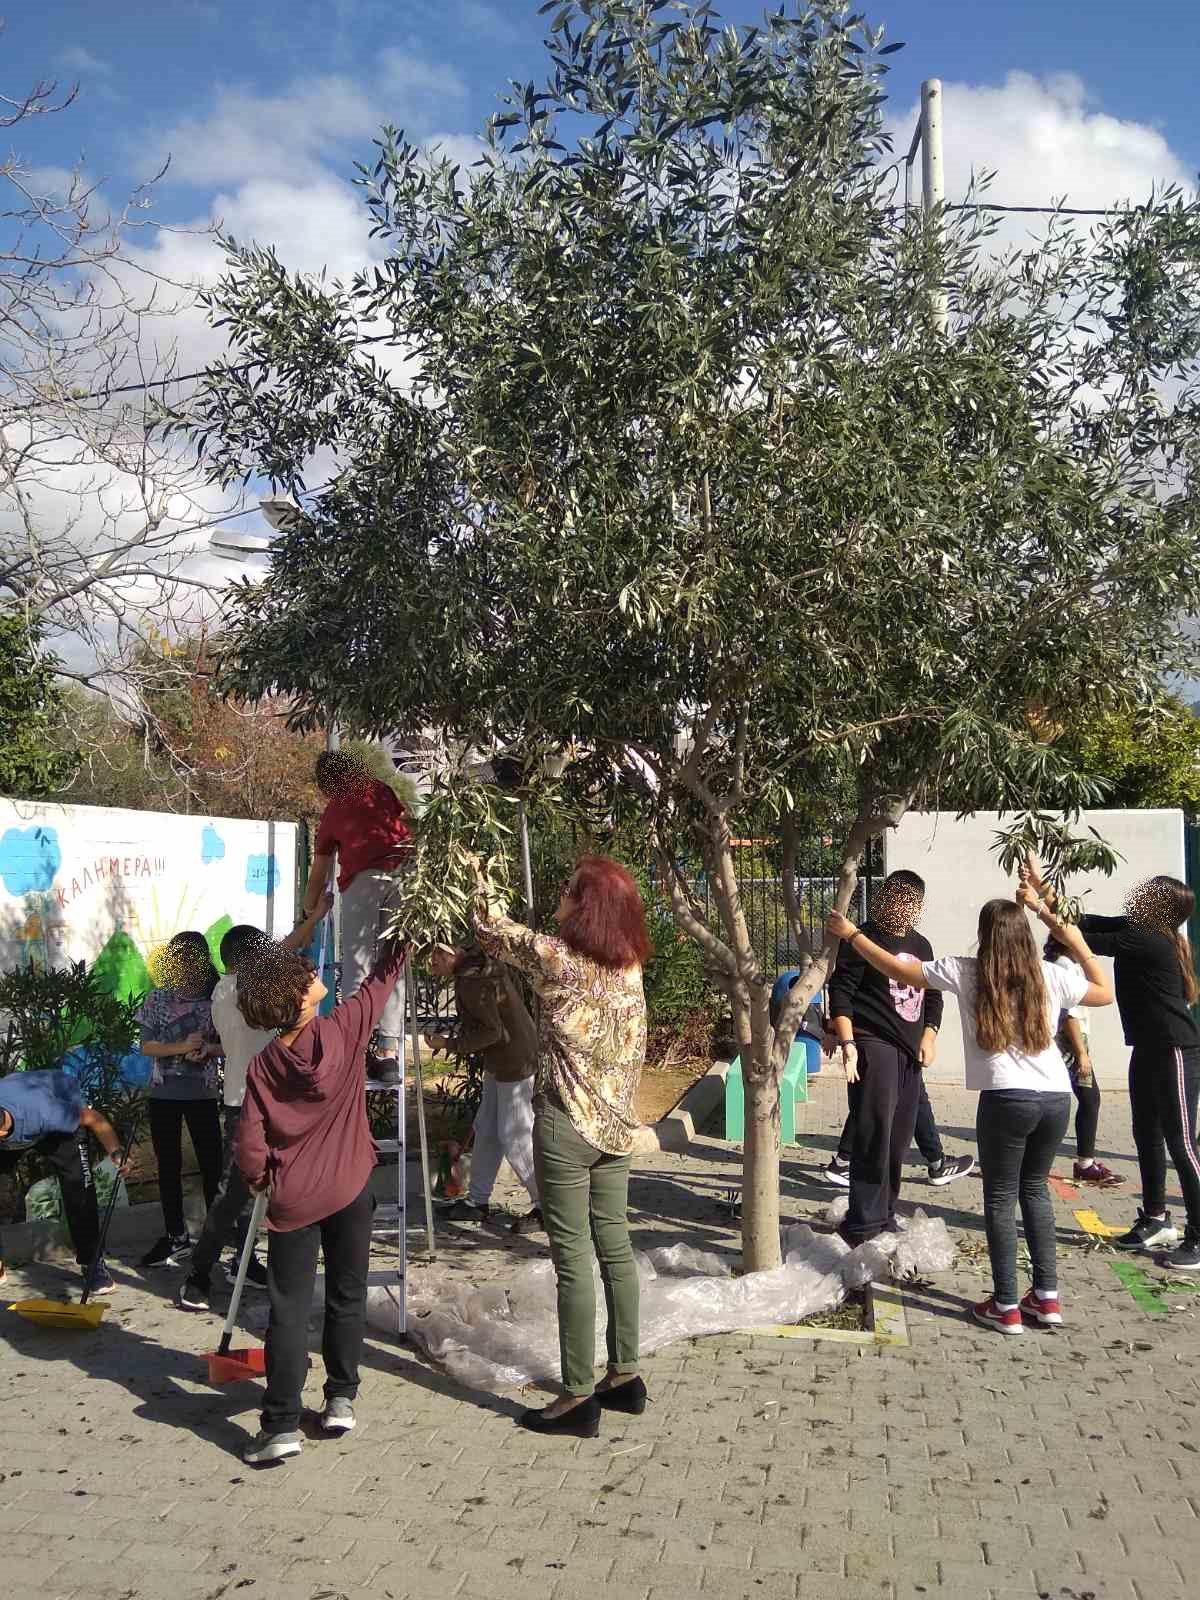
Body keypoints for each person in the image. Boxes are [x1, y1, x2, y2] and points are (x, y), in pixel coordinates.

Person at [827, 889, 1112, 1334]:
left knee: (1000, 1199)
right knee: (1035, 1193)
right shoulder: (1050, 974)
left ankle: (1006, 1304)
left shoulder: (968, 970)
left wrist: (852, 935)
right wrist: (1065, 930)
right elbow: (1104, 991)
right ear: (1026, 937)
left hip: (1006, 1098)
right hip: (1056, 1098)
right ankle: (1047, 1297)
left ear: (984, 935)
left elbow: (897, 968)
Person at [475, 855, 650, 1438]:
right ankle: (625, 1374)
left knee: (572, 1260)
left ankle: (577, 1395)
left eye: (567, 888)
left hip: (567, 1125)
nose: (560, 895)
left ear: (585, 905)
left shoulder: (559, 961)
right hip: (617, 1129)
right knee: (615, 1250)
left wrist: (478, 872)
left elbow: (491, 928)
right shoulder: (631, 967)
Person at [234, 938, 405, 1464]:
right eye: (306, 977)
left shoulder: (264, 1066)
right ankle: (340, 1399)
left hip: (294, 1203)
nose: (315, 977)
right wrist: (402, 938)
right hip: (351, 1189)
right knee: (346, 1296)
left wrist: (259, 1179)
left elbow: (249, 1143)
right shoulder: (344, 1029)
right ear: (297, 998)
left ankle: (281, 1426)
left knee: (288, 1311)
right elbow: (380, 982)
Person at [1027, 864, 1200, 1268]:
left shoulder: (1149, 939)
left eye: (1148, 893)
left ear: (1160, 907)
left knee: (1181, 1143)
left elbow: (1076, 936)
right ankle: (1156, 1219)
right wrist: (1040, 884)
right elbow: (1077, 917)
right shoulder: (1136, 928)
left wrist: (1037, 909)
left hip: (1175, 1050)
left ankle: (1198, 1233)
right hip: (1148, 1049)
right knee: (1146, 1134)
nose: (1139, 895)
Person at [177, 895, 333, 1311]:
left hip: (272, 1100)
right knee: (233, 1193)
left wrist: (215, 1049)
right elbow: (288, 953)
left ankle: (243, 1262)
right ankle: (199, 1272)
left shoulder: (237, 991)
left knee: (254, 1191)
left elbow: (246, 1042)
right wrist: (314, 919)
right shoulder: (233, 990)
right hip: (247, 1106)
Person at [824, 871, 969, 1246]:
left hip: (909, 1054)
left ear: (917, 906)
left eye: (908, 901)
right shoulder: (863, 938)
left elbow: (933, 995)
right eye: (893, 897)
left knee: (898, 1138)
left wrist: (930, 1035)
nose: (899, 906)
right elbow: (842, 992)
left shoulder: (921, 944)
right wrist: (848, 1042)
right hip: (874, 1044)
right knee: (874, 1133)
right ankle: (863, 1222)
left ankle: (884, 1214)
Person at [302, 751, 413, 1085]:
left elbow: (321, 867)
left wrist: (308, 908)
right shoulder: (381, 790)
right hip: (404, 876)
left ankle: (355, 1048)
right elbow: (403, 824)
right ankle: (388, 1052)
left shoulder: (336, 808)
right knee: (392, 963)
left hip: (363, 880)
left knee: (358, 964)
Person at [423, 941, 541, 1233]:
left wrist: (449, 1043)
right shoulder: (477, 969)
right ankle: (477, 1201)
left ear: (450, 952)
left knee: (515, 1137)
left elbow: (492, 1031)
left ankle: (549, 1207)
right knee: (486, 1128)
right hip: (504, 1059)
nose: (430, 965)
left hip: (514, 1062)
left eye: (434, 957)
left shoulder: (473, 980)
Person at [0, 1071, 133, 1296]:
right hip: (20, 1107)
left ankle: (92, 1263)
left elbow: (93, 1118)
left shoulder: (47, 1112)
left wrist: (116, 1152)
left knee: (79, 1188)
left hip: (58, 1120)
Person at [135, 931, 223, 1270]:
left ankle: (216, 1237)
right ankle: (175, 1237)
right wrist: (182, 1047)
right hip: (164, 1095)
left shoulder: (218, 997)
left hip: (202, 1094)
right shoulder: (158, 998)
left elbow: (233, 1043)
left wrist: (209, 1049)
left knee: (212, 1165)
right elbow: (147, 1046)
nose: (185, 966)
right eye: (179, 959)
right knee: (167, 1166)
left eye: (191, 959)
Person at [1043, 933, 1117, 1185]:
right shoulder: (1064, 967)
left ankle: (1082, 1162)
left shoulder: (1065, 965)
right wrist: (1081, 1053)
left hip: (1071, 1043)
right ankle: (1085, 1164)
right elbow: (1070, 1014)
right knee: (1089, 1098)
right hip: (1069, 1043)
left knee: (1073, 1098)